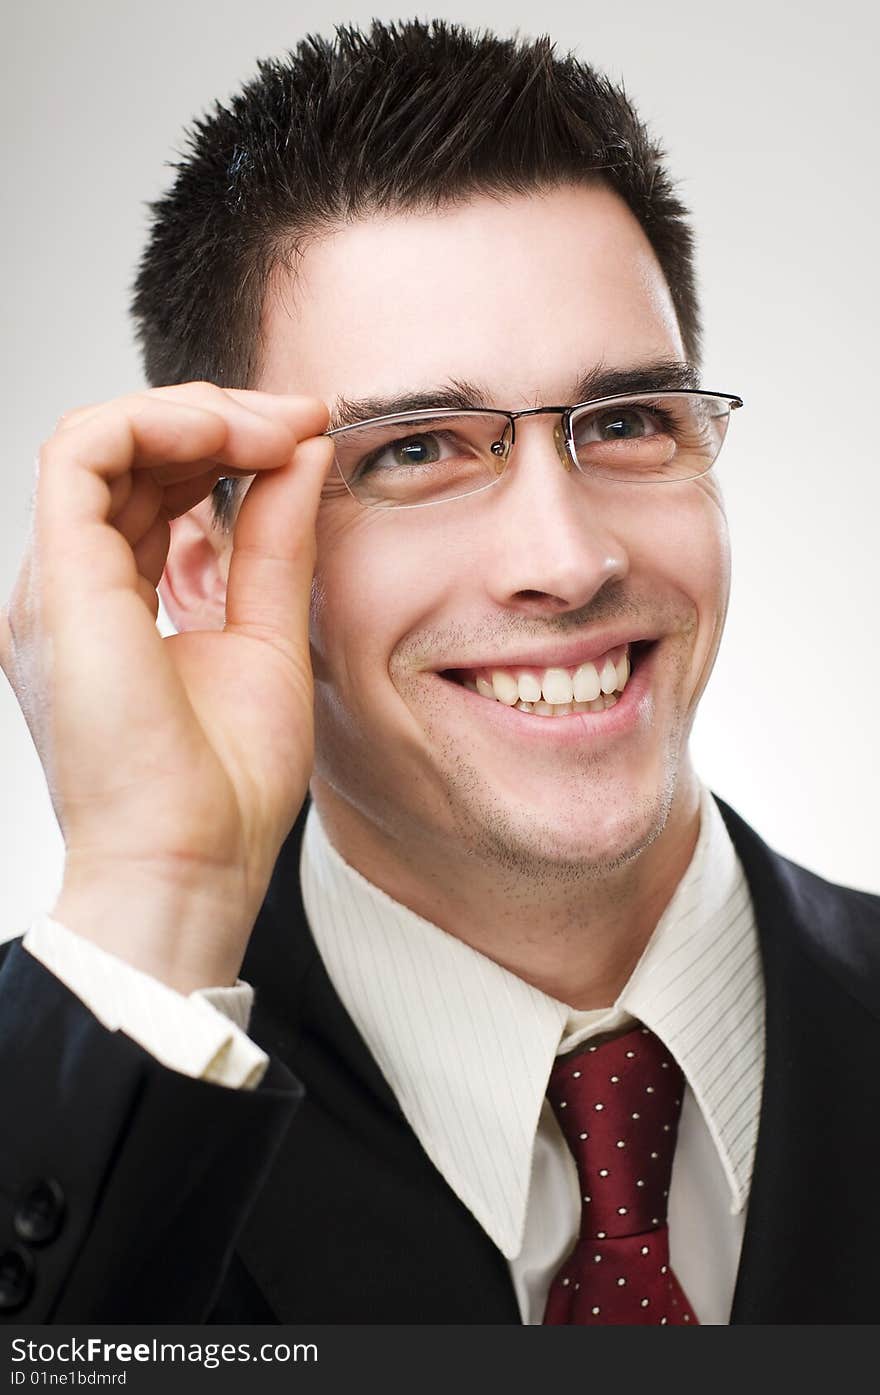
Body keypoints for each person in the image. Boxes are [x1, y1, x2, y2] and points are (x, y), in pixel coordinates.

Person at [0, 18, 877, 1327]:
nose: (566, 560)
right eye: (414, 452)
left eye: (628, 421)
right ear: (201, 564)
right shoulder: (66, 1109)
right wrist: (158, 898)